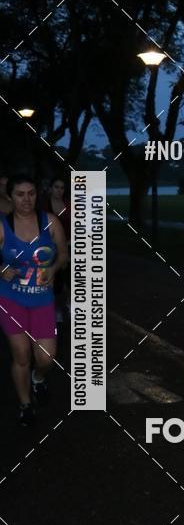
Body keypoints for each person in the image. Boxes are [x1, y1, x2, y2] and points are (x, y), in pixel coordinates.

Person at [0, 173, 67, 425]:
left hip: (42, 301)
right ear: (10, 196)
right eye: (20, 194)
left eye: (31, 193)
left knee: (46, 358)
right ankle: (25, 405)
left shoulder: (49, 222)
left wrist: (54, 267)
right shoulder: (3, 225)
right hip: (10, 300)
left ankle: (38, 378)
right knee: (21, 355)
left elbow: (64, 253)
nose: (26, 199)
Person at [42, 175, 71, 324]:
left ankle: (70, 305)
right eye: (56, 187)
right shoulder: (44, 205)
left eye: (62, 188)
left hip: (70, 244)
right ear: (50, 188)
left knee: (72, 277)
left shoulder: (69, 204)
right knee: (56, 278)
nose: (59, 190)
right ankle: (56, 309)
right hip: (51, 247)